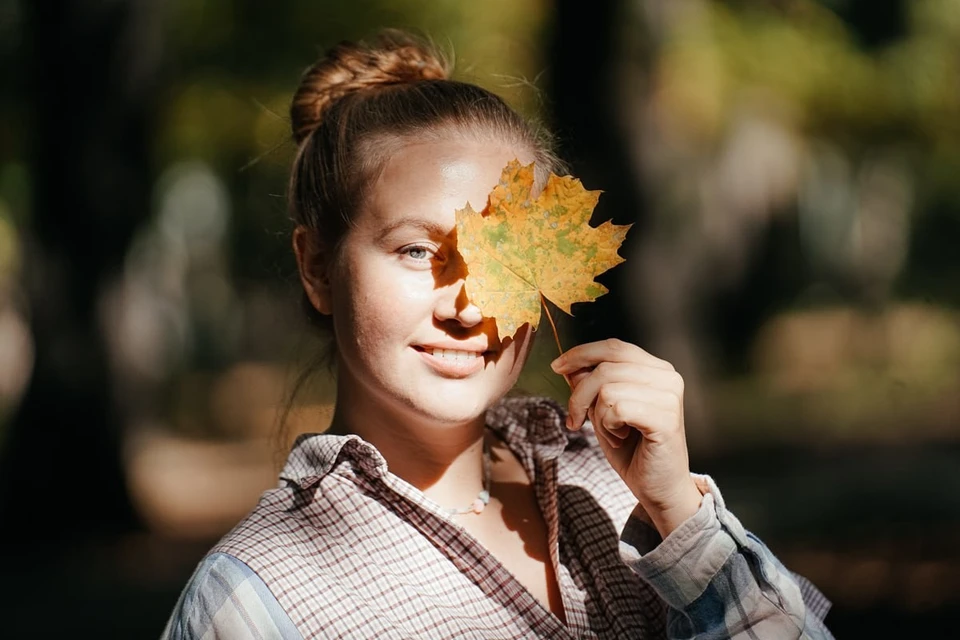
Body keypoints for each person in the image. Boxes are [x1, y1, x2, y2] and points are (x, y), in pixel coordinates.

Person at [162, 30, 834, 639]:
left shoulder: (617, 494)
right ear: (316, 267)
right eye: (417, 251)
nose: (467, 307)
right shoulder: (258, 597)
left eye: (505, 259)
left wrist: (681, 517)